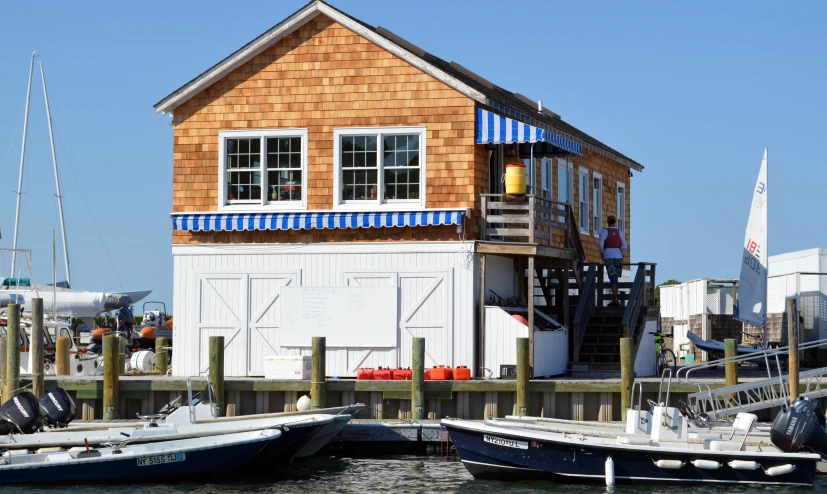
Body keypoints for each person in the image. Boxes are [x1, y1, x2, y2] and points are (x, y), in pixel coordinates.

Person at [599, 215, 628, 307]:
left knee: (612, 277)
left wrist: (602, 253)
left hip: (609, 256)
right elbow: (624, 246)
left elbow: (601, 245)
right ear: (615, 222)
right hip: (618, 256)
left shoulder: (604, 232)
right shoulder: (620, 232)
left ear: (607, 221)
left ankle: (615, 299)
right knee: (616, 278)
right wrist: (622, 254)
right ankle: (615, 299)